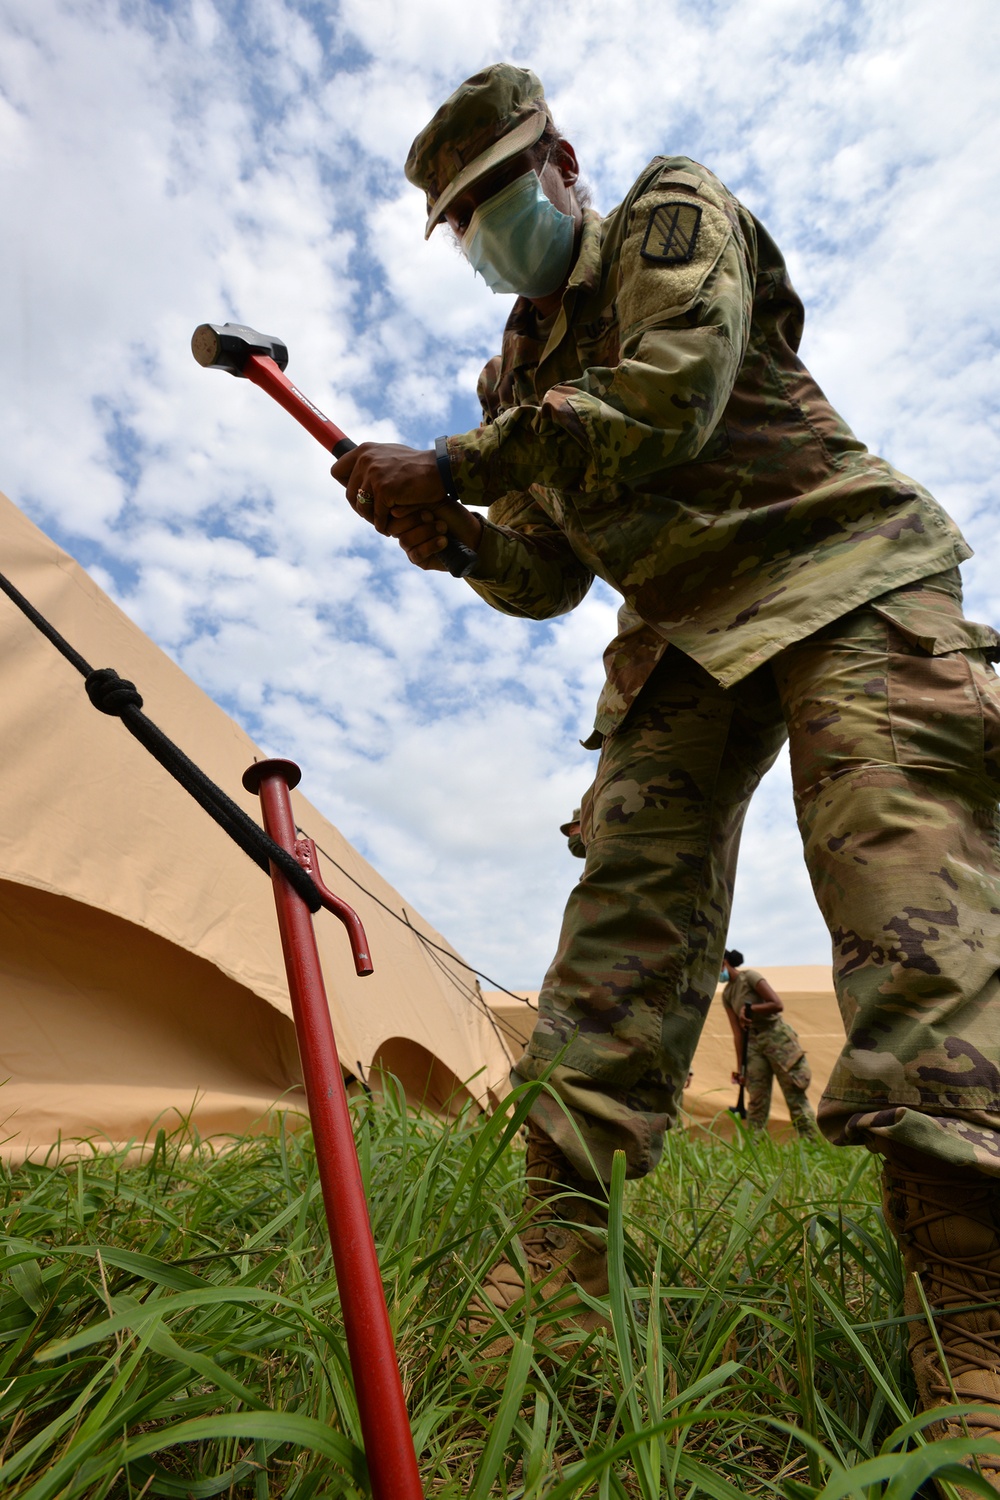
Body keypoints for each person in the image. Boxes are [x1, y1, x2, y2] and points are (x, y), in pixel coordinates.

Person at [332, 63, 1000, 1476]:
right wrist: (445, 534)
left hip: (842, 573)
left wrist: (448, 462)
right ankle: (559, 1282)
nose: (489, 228)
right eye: (463, 220)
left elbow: (674, 395)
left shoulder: (669, 217)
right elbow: (546, 574)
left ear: (561, 162)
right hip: (682, 636)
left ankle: (979, 1328)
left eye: (500, 194)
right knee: (620, 924)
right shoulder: (511, 373)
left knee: (907, 893)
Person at [720, 948, 817, 1138]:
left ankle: (812, 1144)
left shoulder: (750, 977)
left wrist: (751, 1009)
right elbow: (737, 1033)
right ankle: (754, 1150)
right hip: (753, 1044)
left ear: (724, 962)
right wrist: (741, 1069)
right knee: (756, 1099)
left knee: (793, 1092)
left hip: (776, 1037)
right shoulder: (727, 994)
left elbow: (777, 1004)